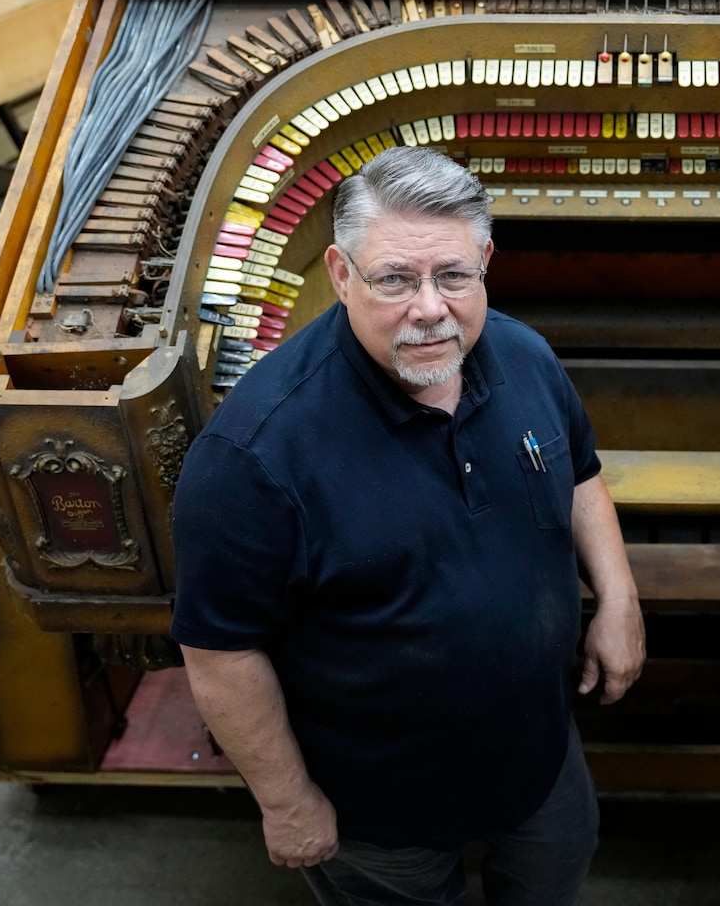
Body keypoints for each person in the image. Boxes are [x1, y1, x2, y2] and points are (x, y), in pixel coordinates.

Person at [170, 145, 646, 905]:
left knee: (555, 875)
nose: (430, 307)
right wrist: (288, 801)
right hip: (375, 805)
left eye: (454, 275)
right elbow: (222, 651)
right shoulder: (254, 455)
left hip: (538, 753)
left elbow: (580, 474)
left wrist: (619, 599)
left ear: (485, 260)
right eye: (395, 278)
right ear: (340, 273)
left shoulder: (523, 356)